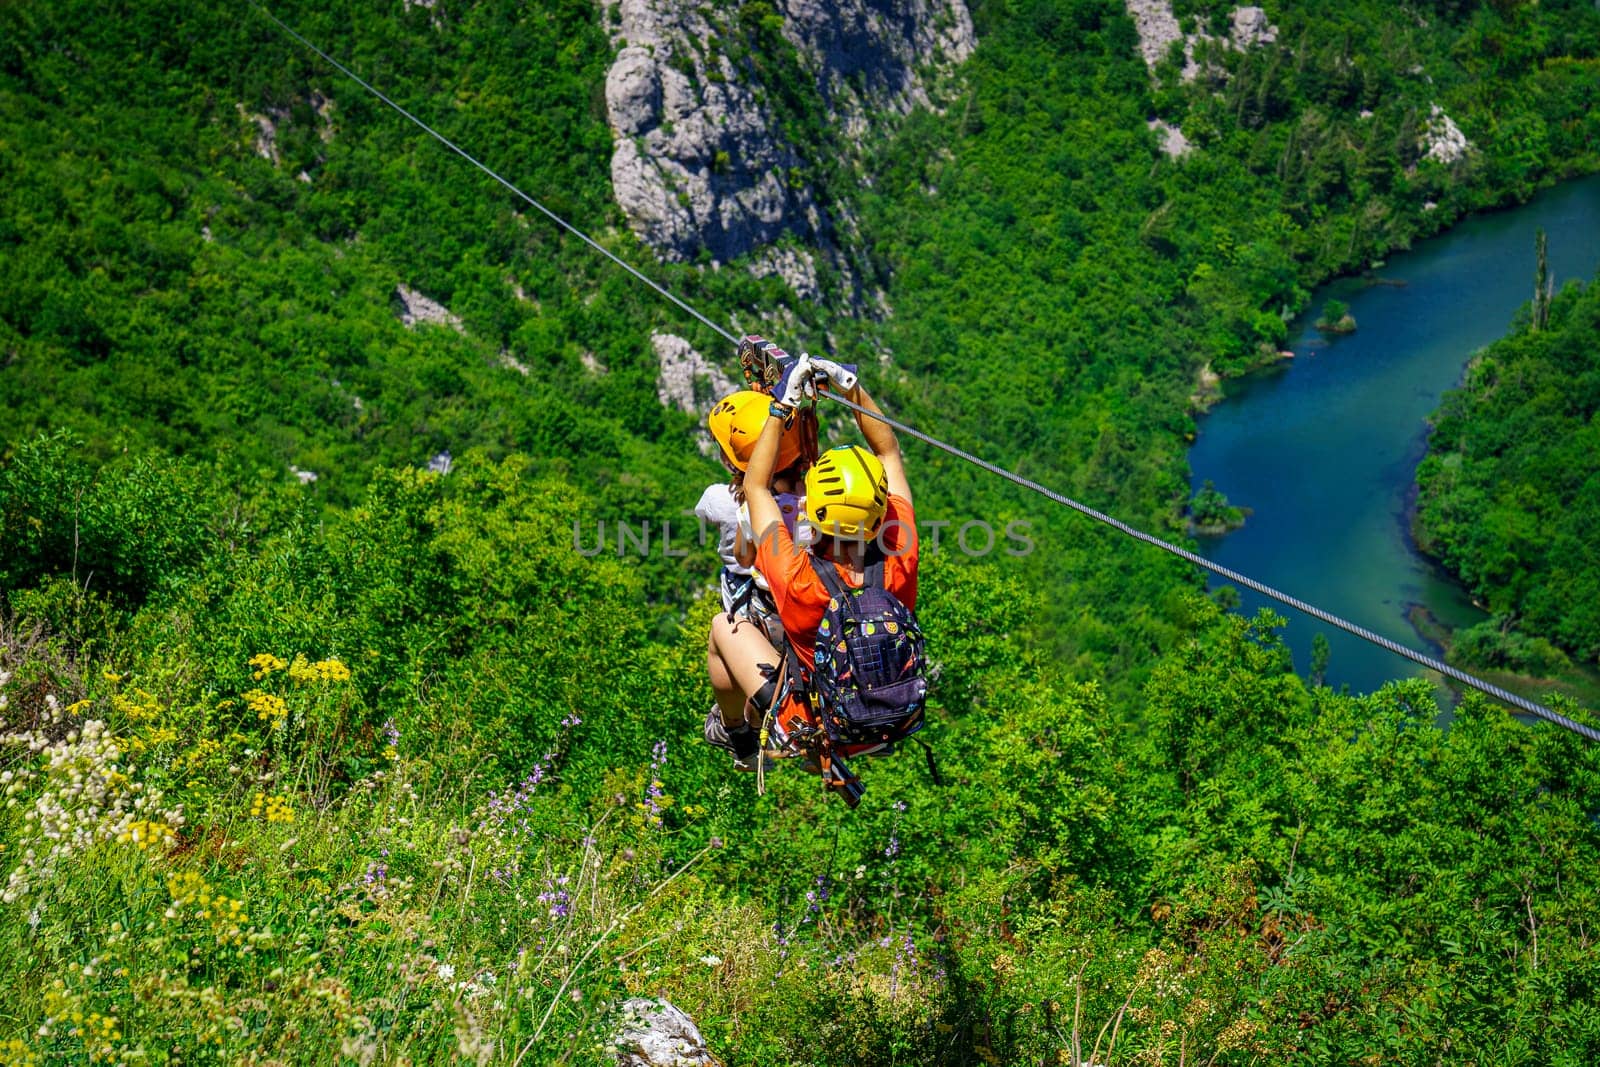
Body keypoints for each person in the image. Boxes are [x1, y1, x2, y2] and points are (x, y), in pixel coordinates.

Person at [705, 357, 918, 788]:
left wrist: (781, 410)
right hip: (884, 707)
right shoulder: (901, 554)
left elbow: (756, 486)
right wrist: (850, 387)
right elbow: (889, 451)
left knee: (721, 630)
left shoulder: (798, 577)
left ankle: (737, 735)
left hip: (811, 721)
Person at [699, 390, 808, 769]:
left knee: (724, 634)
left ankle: (735, 730)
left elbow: (709, 507)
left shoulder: (725, 502)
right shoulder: (817, 506)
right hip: (794, 605)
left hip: (750, 599)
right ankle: (752, 725)